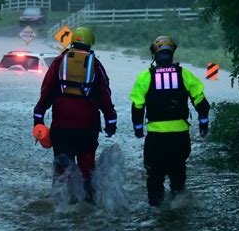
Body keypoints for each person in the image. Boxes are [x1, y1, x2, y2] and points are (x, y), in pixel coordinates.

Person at [33, 26, 117, 202]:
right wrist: (111, 122)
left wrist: (38, 117)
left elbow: (46, 90)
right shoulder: (95, 64)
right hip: (88, 128)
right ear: (90, 43)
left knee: (62, 169)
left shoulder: (59, 61)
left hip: (62, 127)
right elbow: (105, 96)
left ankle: (60, 204)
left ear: (73, 41)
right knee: (87, 168)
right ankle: (87, 202)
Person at [129, 36, 210, 206]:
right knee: (178, 172)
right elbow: (201, 102)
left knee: (155, 175)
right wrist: (204, 123)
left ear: (155, 54)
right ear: (172, 53)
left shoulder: (146, 76)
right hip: (180, 136)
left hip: (156, 137)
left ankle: (156, 211)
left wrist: (138, 129)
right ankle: (178, 206)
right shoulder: (185, 74)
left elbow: (137, 106)